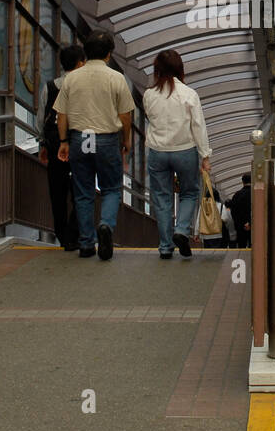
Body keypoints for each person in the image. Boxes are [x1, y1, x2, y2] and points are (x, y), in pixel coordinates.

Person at [55, 29, 135, 260]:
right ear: (109, 55)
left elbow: (62, 115)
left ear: (86, 53)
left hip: (81, 138)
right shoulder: (117, 79)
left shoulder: (71, 78)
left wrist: (63, 142)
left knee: (83, 192)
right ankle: (106, 226)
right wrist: (126, 140)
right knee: (111, 188)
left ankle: (87, 243)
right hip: (106, 139)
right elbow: (126, 116)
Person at [141, 49, 212, 259]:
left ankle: (165, 246)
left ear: (157, 70)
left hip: (158, 151)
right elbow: (198, 126)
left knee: (161, 197)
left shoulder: (148, 95)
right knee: (189, 193)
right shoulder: (189, 94)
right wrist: (205, 155)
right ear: (180, 69)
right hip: (184, 151)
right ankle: (181, 230)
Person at [39, 44, 85, 250]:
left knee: (57, 192)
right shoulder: (83, 86)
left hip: (55, 142)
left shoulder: (50, 87)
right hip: (80, 142)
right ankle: (74, 235)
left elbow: (41, 118)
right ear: (79, 63)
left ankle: (62, 234)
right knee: (82, 190)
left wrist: (43, 143)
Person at [229, 173, 252, 248]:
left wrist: (242, 224)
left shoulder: (237, 195)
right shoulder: (256, 194)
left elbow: (233, 212)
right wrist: (250, 223)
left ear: (242, 182)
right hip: (254, 226)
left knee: (241, 247)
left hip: (241, 227)